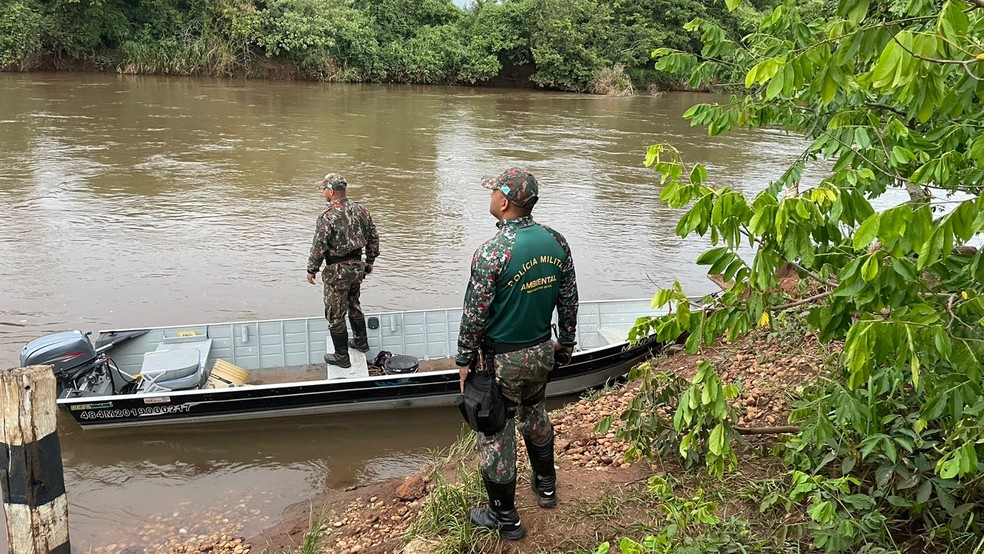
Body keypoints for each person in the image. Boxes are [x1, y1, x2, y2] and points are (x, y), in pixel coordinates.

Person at [455, 167, 578, 540]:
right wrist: (566, 343)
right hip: (542, 351)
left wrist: (463, 360)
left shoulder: (492, 252)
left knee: (496, 432)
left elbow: (474, 315)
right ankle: (546, 487)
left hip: (503, 361)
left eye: (493, 192)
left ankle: (505, 518)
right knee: (536, 413)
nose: (490, 197)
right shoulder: (556, 242)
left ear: (505, 202)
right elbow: (568, 299)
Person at [306, 173, 380, 368]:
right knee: (353, 303)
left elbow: (319, 246)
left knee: (335, 314)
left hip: (337, 271)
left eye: (323, 189)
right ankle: (361, 342)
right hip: (357, 268)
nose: (322, 192)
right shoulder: (361, 210)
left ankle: (342, 357)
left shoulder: (327, 216)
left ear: (331, 191)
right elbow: (373, 237)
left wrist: (311, 269)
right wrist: (370, 260)